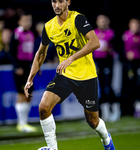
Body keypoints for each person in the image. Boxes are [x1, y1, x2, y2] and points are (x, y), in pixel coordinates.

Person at [24, 0, 115, 150]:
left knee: (93, 121)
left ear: (68, 2)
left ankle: (106, 139)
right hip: (65, 75)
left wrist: (70, 59)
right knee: (44, 107)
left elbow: (95, 43)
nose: (56, 5)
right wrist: (30, 78)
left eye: (60, 1)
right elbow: (41, 53)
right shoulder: (49, 26)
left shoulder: (78, 19)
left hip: (86, 75)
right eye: (54, 1)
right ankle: (52, 147)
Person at [9, 13, 37, 132]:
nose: (27, 22)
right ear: (19, 22)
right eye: (25, 20)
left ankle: (25, 121)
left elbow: (34, 53)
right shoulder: (16, 33)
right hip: (20, 67)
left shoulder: (31, 34)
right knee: (22, 93)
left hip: (28, 67)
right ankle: (21, 123)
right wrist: (17, 66)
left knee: (29, 93)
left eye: (29, 20)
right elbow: (10, 52)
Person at [94, 15, 120, 122]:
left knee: (108, 86)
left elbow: (116, 48)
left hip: (108, 62)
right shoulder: (93, 33)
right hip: (97, 62)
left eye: (104, 21)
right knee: (100, 88)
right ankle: (105, 112)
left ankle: (115, 109)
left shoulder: (111, 33)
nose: (102, 23)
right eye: (100, 21)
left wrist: (108, 49)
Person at [122, 18, 140, 117]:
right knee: (130, 85)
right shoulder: (126, 36)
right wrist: (126, 54)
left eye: (137, 25)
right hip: (130, 65)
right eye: (133, 25)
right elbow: (121, 49)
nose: (135, 27)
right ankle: (130, 109)